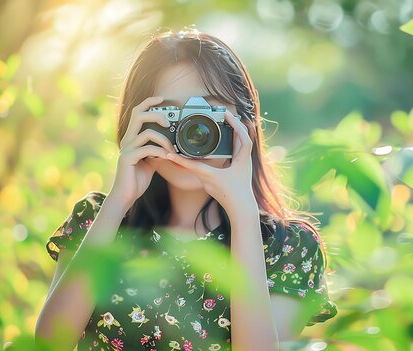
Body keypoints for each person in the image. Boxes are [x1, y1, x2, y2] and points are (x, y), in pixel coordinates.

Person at [35, 28, 337, 351]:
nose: (190, 132)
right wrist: (118, 200)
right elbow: (49, 344)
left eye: (207, 113)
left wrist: (243, 217)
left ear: (244, 125)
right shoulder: (96, 219)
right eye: (170, 114)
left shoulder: (288, 247)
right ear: (136, 123)